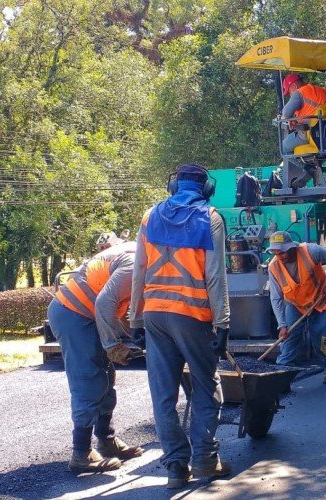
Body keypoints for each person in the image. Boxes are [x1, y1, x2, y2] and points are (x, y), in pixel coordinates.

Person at [129, 163, 231, 489]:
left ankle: (175, 467)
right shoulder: (211, 218)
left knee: (163, 393)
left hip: (155, 315)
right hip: (193, 315)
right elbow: (215, 277)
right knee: (206, 386)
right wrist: (224, 323)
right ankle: (204, 459)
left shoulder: (149, 216)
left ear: (173, 186)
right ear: (206, 188)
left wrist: (135, 318)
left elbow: (139, 270)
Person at [47, 237, 144, 473]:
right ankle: (81, 454)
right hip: (74, 315)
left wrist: (129, 337)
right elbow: (104, 303)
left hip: (86, 315)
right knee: (89, 381)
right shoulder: (135, 262)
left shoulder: (139, 251)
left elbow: (116, 305)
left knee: (107, 378)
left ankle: (107, 440)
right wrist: (113, 345)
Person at [266, 231, 326, 384]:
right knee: (288, 338)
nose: (280, 256)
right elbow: (276, 297)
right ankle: (283, 376)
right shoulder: (273, 267)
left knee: (324, 335)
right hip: (296, 305)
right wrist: (282, 324)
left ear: (291, 247)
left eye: (283, 252)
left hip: (320, 302)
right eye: (276, 253)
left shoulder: (310, 251)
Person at [279, 73, 326, 188]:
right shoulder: (321, 91)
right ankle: (317, 168)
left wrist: (291, 120)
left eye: (289, 92)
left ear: (293, 86)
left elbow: (286, 113)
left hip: (309, 134)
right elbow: (317, 112)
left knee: (284, 148)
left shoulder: (299, 93)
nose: (290, 95)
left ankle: (310, 169)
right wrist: (296, 120)